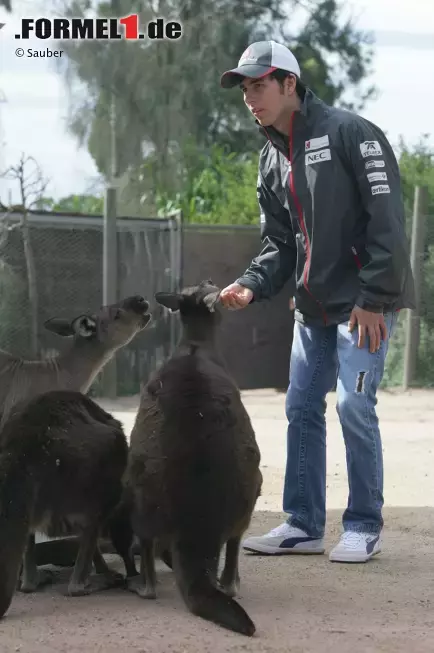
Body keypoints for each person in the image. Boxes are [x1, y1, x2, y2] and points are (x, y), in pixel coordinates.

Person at [218, 40, 415, 563]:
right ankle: (303, 525)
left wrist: (374, 297)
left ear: (289, 84)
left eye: (259, 85)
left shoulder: (352, 132)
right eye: (244, 89)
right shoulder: (269, 158)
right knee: (301, 407)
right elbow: (280, 242)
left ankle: (363, 525)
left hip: (363, 304)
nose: (250, 98)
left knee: (354, 404)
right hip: (313, 307)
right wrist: (252, 284)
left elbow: (388, 224)